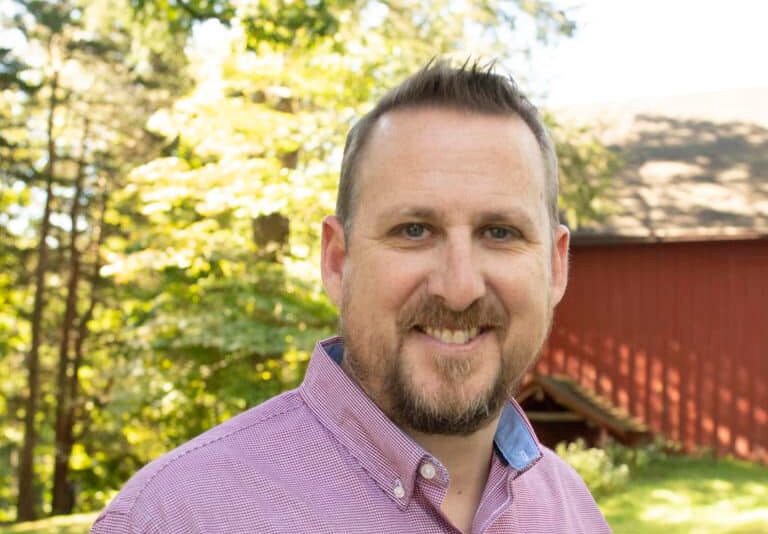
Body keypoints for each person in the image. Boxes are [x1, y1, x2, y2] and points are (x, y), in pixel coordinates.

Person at [91, 60, 612, 534]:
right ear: (337, 261)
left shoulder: (575, 514)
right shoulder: (175, 517)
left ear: (554, 267)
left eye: (499, 233)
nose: (459, 289)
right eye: (414, 230)